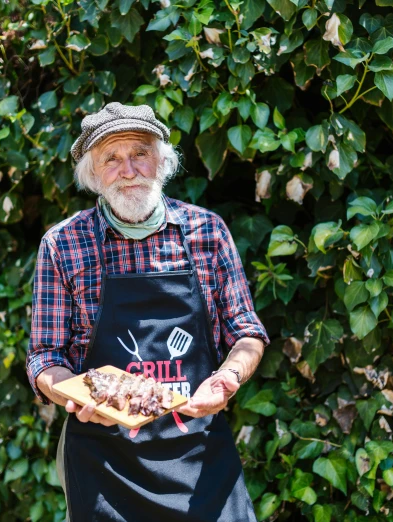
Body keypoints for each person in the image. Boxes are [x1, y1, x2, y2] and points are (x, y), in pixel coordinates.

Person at [26, 102, 270, 522]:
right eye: (111, 159)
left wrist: (228, 378)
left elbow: (246, 332)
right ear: (93, 175)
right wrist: (74, 394)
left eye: (139, 152)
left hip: (198, 456)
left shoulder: (206, 232)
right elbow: (45, 356)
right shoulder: (63, 244)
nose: (128, 169)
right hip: (104, 463)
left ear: (161, 160)